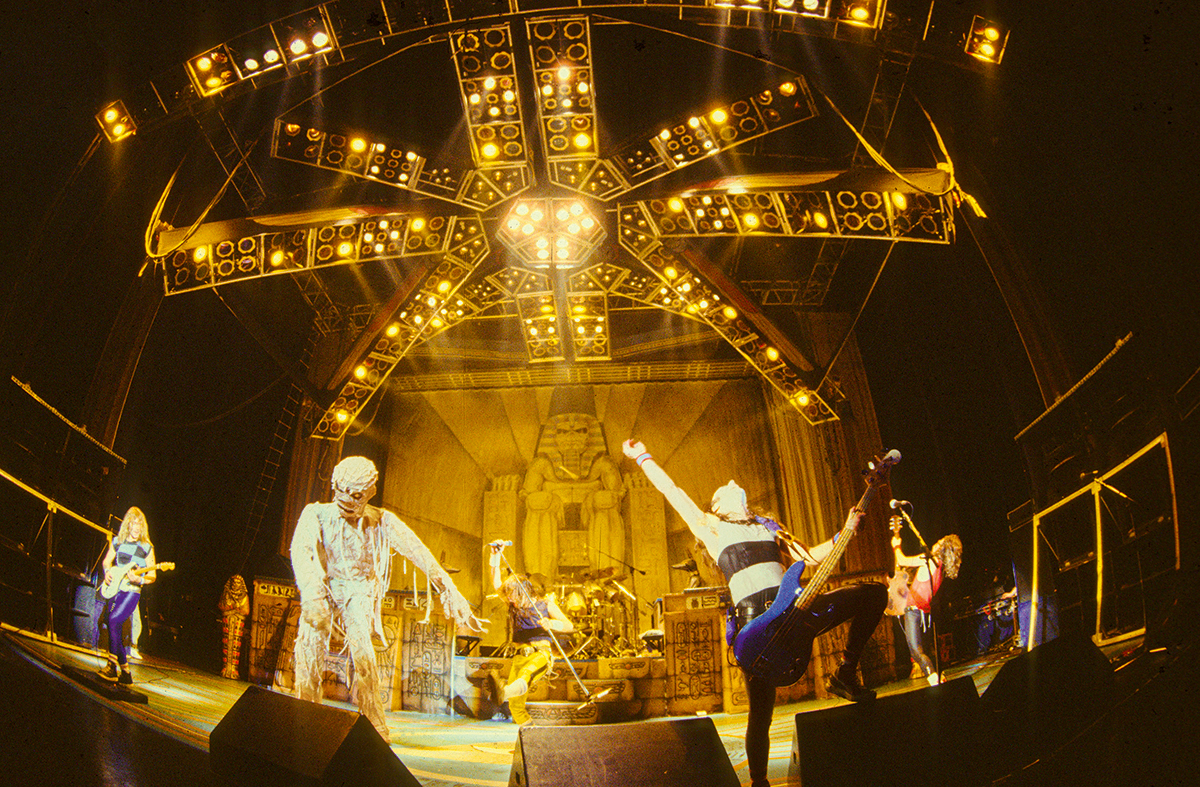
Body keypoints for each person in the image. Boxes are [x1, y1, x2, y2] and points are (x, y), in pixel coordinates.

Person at [622, 439, 887, 787]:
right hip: (755, 627)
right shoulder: (711, 528)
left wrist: (844, 532)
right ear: (716, 506)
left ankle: (846, 672)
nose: (733, 483)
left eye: (734, 484)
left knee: (874, 594)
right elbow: (671, 490)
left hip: (796, 611)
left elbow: (808, 559)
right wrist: (642, 455)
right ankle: (759, 782)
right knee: (760, 714)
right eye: (724, 489)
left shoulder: (769, 527)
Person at [290, 456, 485, 742]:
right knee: (308, 648)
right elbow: (301, 550)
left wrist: (448, 588)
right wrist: (311, 594)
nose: (345, 499)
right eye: (339, 490)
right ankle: (303, 715)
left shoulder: (382, 521)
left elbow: (419, 553)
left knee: (364, 657)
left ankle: (374, 724)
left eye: (355, 494)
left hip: (356, 590)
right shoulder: (316, 514)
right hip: (324, 586)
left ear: (369, 493)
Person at [485, 542, 574, 724]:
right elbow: (495, 583)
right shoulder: (513, 606)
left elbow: (569, 625)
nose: (509, 598)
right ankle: (531, 736)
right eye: (508, 595)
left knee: (527, 673)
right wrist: (494, 556)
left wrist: (552, 624)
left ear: (523, 591)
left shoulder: (545, 604)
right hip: (519, 656)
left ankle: (504, 691)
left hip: (540, 654)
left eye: (512, 594)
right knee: (515, 707)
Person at [891, 532, 962, 685]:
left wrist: (896, 544)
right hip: (924, 612)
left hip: (914, 611)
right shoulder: (940, 567)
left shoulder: (927, 560)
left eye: (940, 541)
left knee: (916, 652)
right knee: (925, 650)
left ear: (943, 548)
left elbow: (901, 559)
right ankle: (939, 676)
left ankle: (934, 681)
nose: (937, 541)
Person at [97, 506, 157, 685]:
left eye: (140, 524)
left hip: (132, 592)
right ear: (128, 525)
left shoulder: (146, 547)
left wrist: (140, 580)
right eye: (134, 524)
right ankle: (125, 672)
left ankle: (111, 665)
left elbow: (153, 575)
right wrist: (107, 571)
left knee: (114, 621)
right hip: (116, 589)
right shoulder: (117, 542)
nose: (137, 528)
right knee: (112, 624)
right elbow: (107, 561)